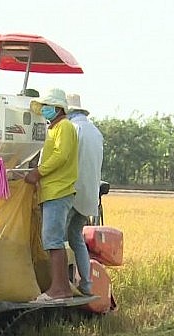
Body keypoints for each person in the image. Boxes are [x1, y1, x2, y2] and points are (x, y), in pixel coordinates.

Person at [25, 88, 79, 302]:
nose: (44, 110)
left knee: (53, 240)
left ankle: (59, 289)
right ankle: (60, 287)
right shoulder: (56, 128)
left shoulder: (64, 127)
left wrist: (37, 173)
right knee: (52, 240)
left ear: (58, 108)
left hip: (58, 190)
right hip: (53, 190)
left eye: (47, 107)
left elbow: (61, 156)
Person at [65, 93, 104, 296]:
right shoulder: (95, 131)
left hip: (71, 192)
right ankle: (87, 284)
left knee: (56, 239)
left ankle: (60, 284)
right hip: (90, 194)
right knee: (76, 238)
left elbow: (64, 160)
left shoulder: (72, 129)